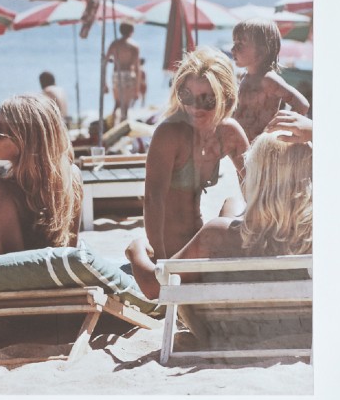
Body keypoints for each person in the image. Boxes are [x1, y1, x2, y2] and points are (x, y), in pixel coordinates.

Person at [125, 126, 312, 297]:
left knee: (231, 213)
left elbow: (154, 287)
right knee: (233, 204)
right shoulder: (319, 237)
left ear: (258, 176)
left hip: (228, 330)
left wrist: (136, 250)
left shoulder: (215, 235)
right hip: (300, 327)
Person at [140, 47, 249, 268]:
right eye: (186, 96)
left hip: (199, 238)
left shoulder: (228, 133)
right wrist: (161, 262)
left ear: (225, 98)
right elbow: (153, 200)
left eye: (207, 99)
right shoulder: (170, 134)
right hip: (170, 248)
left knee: (235, 203)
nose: (195, 107)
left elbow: (257, 187)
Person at [0, 94, 84, 254]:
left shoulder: (2, 190)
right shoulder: (72, 176)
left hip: (25, 276)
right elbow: (69, 250)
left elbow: (12, 264)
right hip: (61, 272)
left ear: (23, 141)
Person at [230, 18, 309, 142]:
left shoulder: (268, 80)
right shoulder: (245, 77)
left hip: (262, 147)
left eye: (240, 44)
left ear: (262, 51)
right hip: (243, 145)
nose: (233, 49)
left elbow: (302, 105)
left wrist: (281, 130)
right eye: (234, 43)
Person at [105, 21, 145, 126]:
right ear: (132, 31)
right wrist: (137, 88)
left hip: (116, 74)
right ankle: (122, 131)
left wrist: (104, 83)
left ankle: (111, 126)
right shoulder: (134, 46)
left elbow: (105, 62)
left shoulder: (114, 44)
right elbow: (137, 68)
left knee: (117, 104)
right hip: (128, 75)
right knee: (125, 107)